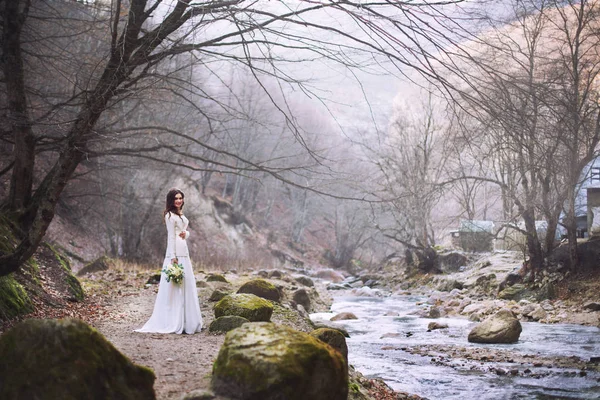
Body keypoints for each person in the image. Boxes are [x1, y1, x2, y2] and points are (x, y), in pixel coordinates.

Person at [135, 188, 203, 334]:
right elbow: (171, 236)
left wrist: (187, 233)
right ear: (171, 200)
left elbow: (182, 231)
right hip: (176, 254)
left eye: (180, 198)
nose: (179, 200)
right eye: (176, 198)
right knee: (176, 287)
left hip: (184, 251)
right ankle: (175, 320)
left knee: (187, 284)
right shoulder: (169, 216)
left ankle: (188, 321)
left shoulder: (180, 214)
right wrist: (173, 256)